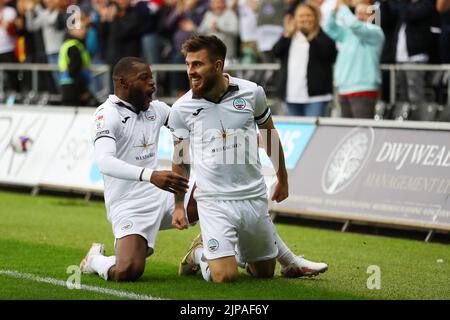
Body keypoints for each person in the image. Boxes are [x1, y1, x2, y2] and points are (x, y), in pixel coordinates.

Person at [169, 35, 328, 283]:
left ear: (218, 65)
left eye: (198, 64)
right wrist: (179, 205)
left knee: (264, 274)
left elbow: (270, 137)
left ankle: (224, 250)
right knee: (225, 277)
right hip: (213, 200)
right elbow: (180, 160)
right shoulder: (181, 109)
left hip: (252, 196)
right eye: (188, 65)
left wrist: (282, 179)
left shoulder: (252, 92)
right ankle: (200, 253)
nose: (191, 71)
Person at [79, 57, 191, 281]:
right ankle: (94, 260)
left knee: (214, 193)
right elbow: (104, 161)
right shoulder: (106, 114)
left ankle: (205, 253)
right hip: (128, 205)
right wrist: (150, 175)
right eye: (144, 78)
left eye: (152, 77)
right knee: (127, 271)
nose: (152, 83)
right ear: (123, 83)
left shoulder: (157, 109)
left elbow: (185, 131)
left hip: (161, 195)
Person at [272, 2, 337, 117]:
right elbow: (276, 52)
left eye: (308, 15)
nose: (305, 19)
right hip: (292, 95)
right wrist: (286, 34)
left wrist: (311, 37)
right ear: (295, 18)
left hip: (316, 97)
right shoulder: (290, 36)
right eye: (301, 16)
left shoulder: (322, 37)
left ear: (316, 18)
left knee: (315, 132)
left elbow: (331, 55)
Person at [323, 0, 384, 119]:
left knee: (363, 132)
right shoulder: (347, 33)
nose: (360, 16)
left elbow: (354, 25)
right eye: (357, 13)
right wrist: (334, 11)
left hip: (364, 88)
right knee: (347, 133)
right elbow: (328, 28)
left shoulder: (376, 32)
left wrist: (343, 7)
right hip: (344, 88)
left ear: (374, 16)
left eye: (364, 13)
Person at [58, 11, 97, 106]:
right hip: (74, 89)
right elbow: (74, 71)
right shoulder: (74, 47)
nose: (84, 31)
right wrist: (83, 91)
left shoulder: (71, 44)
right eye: (80, 28)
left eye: (85, 28)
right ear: (71, 30)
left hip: (68, 86)